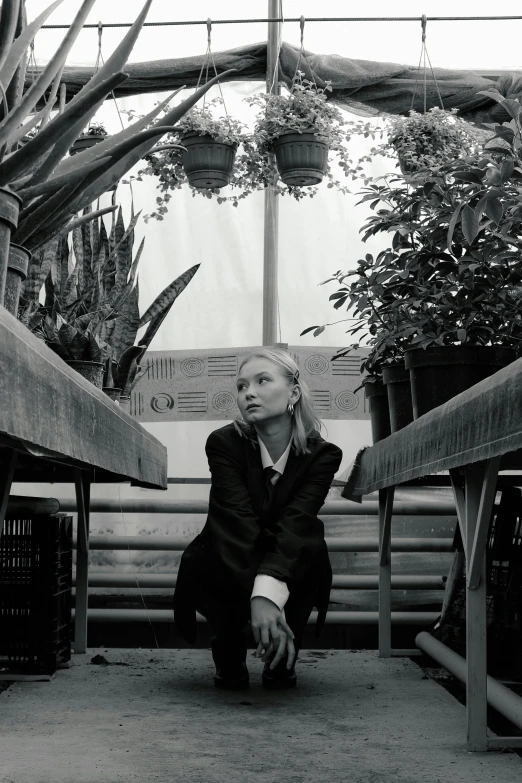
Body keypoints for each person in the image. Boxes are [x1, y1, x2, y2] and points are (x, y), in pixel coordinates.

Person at [173, 347, 343, 690]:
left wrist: (268, 593)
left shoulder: (323, 455)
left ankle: (281, 649)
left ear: (293, 392)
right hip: (229, 549)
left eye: (262, 381)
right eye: (241, 386)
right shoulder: (224, 443)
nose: (247, 392)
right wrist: (262, 595)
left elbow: (297, 522)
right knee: (220, 550)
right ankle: (229, 644)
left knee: (305, 548)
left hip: (288, 553)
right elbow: (236, 520)